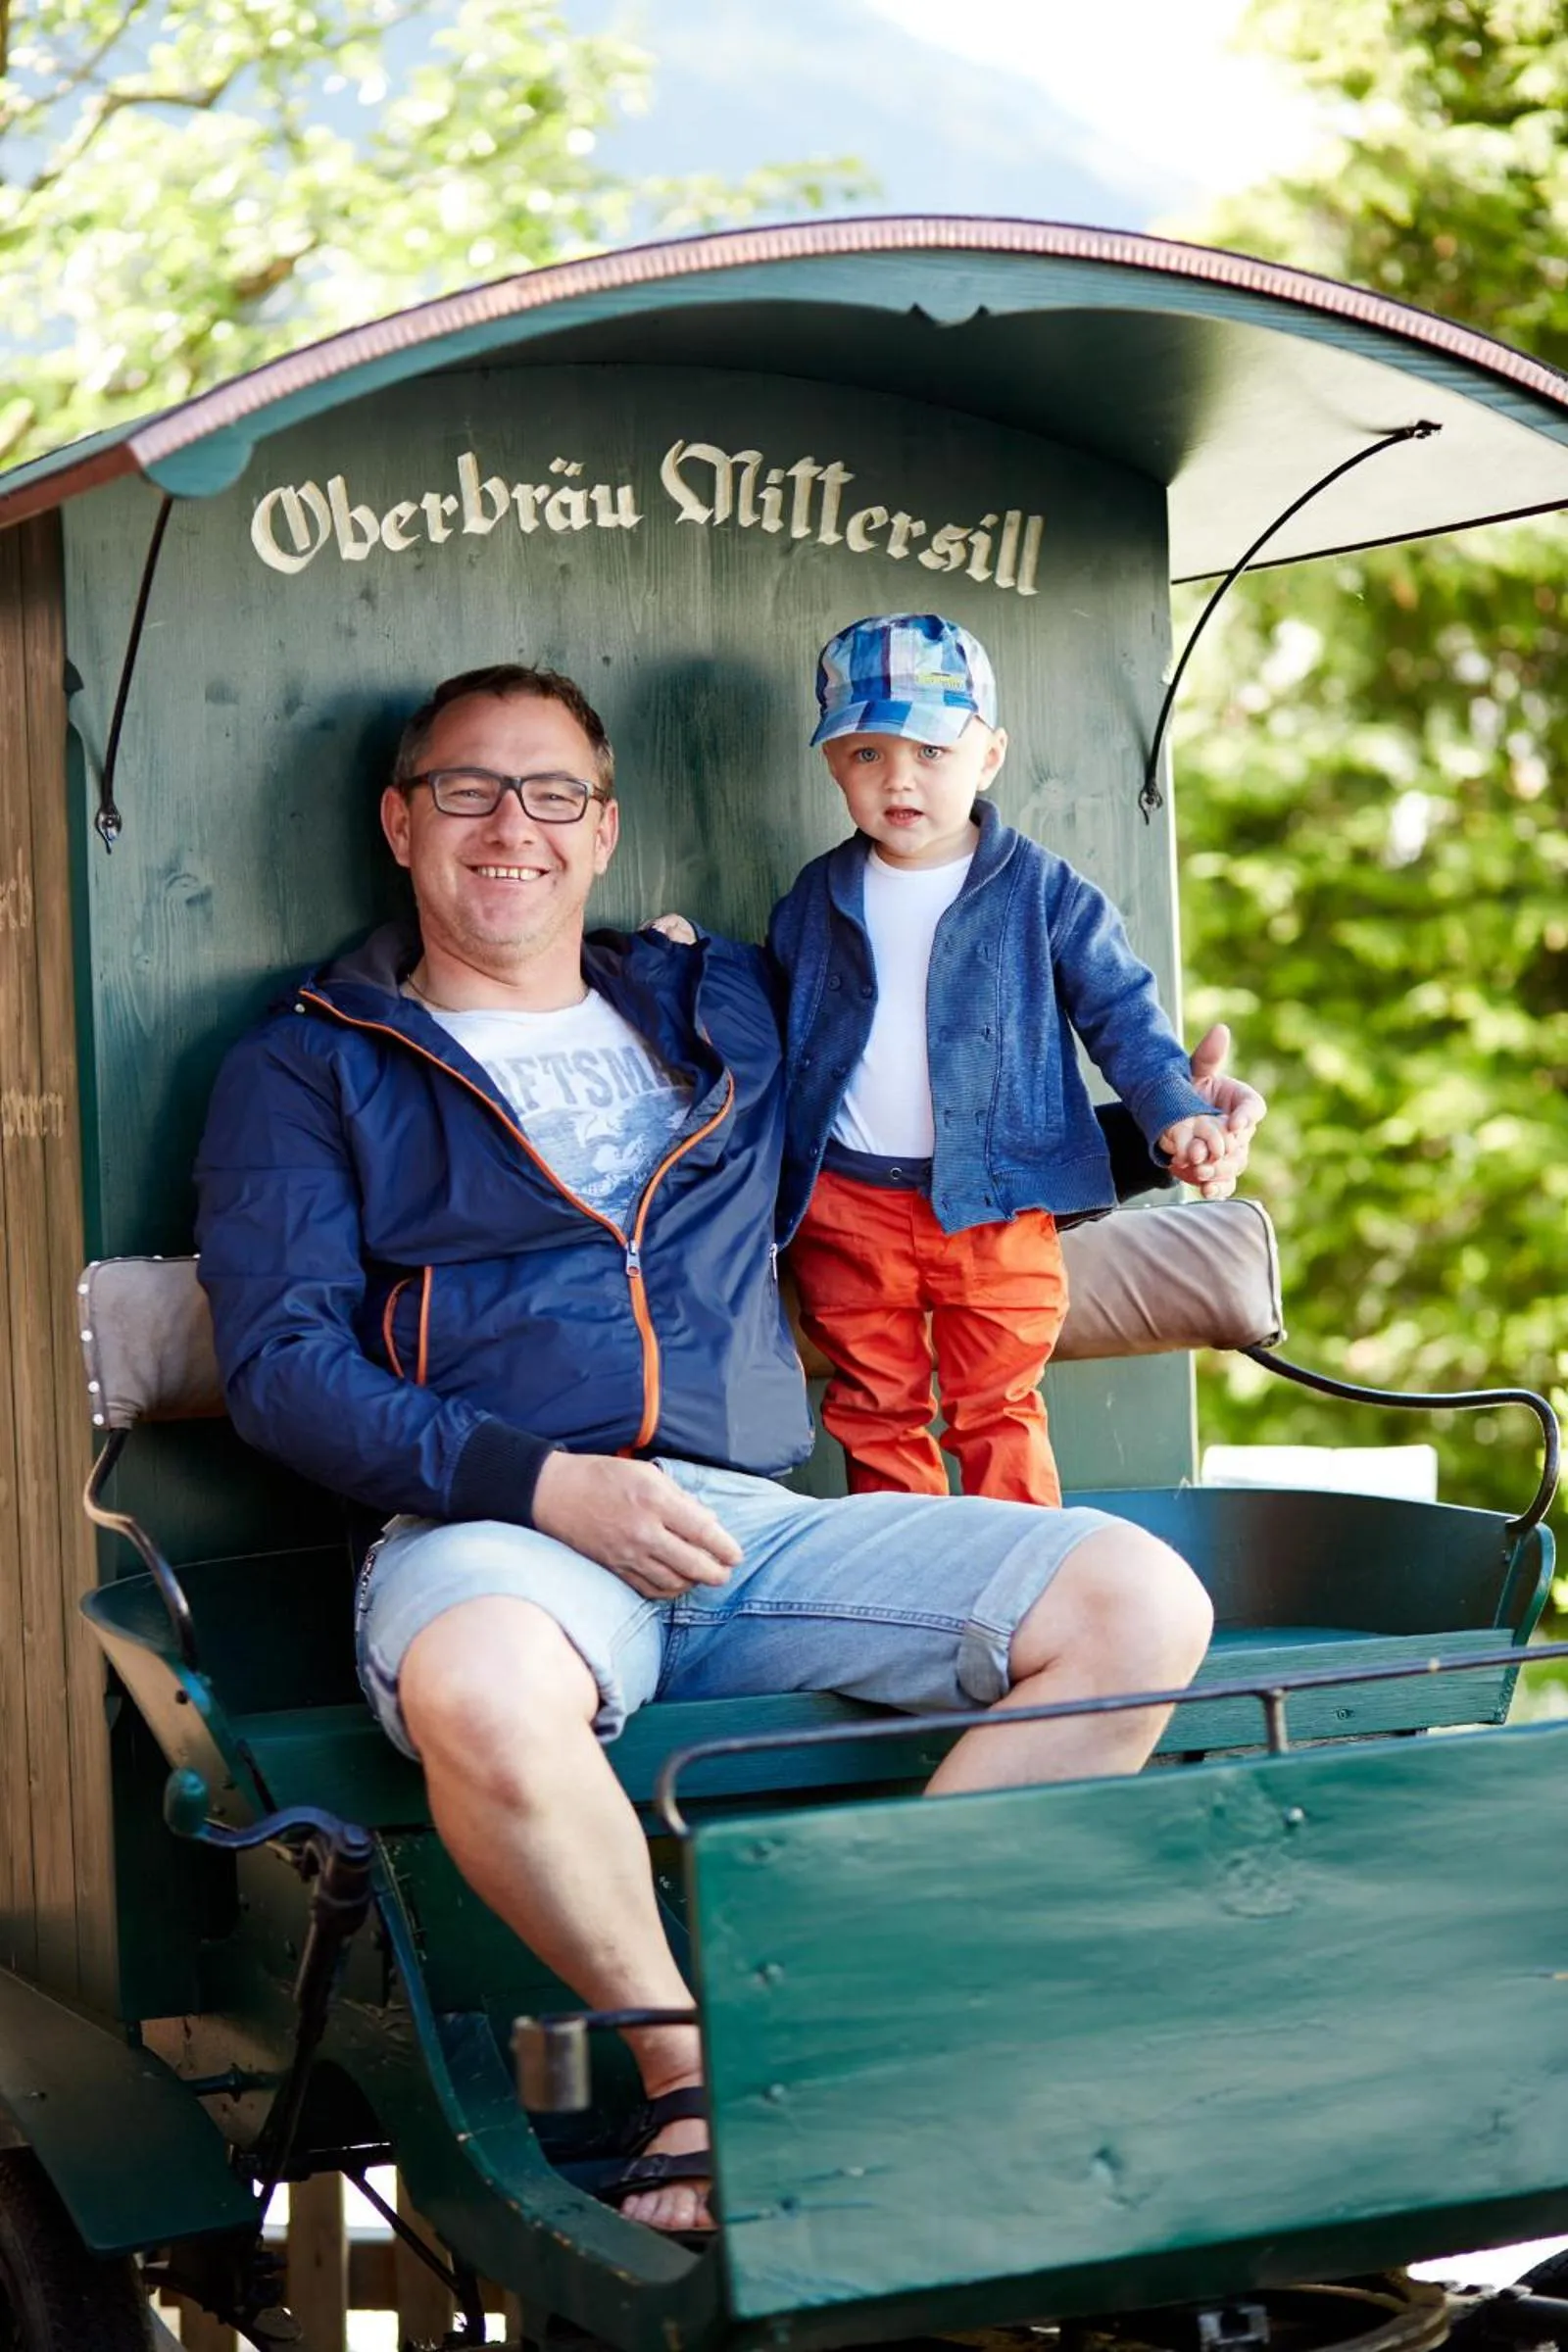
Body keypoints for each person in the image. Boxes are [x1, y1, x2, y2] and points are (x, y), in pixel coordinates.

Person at [195, 661, 1220, 2241]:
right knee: (478, 1688)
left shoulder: (717, 997)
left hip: (748, 1516)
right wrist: (543, 1483)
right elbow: (281, 1369)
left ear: (603, 831)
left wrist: (1161, 1130)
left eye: (551, 795)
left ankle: (824, 2022)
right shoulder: (314, 1059)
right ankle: (695, 2080)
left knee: (1138, 1606)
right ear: (402, 823)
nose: (509, 829)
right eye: (467, 789)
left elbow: (918, 1124)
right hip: (498, 1527)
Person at [768, 611, 1262, 1508]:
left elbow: (1119, 1011)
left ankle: (1024, 1584)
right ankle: (910, 1589)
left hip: (998, 1203)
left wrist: (1174, 1111)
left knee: (995, 1405)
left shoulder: (1042, 890)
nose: (900, 778)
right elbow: (780, 1035)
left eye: (931, 751)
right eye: (867, 754)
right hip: (850, 1203)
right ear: (835, 764)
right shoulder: (815, 898)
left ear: (988, 755)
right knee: (875, 1407)